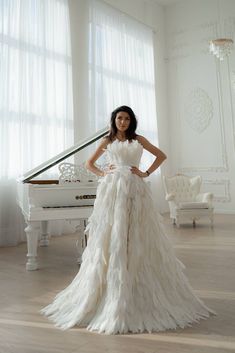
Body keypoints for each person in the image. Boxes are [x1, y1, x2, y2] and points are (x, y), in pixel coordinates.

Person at [41, 105, 215, 334]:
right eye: (119, 118)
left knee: (136, 231)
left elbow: (161, 156)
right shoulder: (107, 141)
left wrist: (146, 172)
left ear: (131, 121)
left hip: (135, 188)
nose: (122, 122)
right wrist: (104, 173)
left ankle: (136, 278)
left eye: (126, 119)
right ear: (114, 121)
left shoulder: (139, 139)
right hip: (112, 190)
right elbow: (88, 164)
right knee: (112, 232)